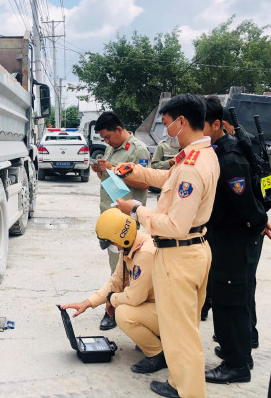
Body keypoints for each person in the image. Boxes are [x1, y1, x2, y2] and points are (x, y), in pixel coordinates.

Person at [114, 94, 219, 398]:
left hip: (179, 254)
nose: (164, 128)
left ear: (182, 122)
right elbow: (166, 178)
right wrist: (135, 172)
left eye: (166, 122)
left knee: (181, 333)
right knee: (180, 330)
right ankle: (180, 381)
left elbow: (175, 225)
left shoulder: (190, 166)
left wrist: (136, 209)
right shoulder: (200, 155)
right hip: (192, 250)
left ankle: (189, 392)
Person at [202, 96, 271, 384]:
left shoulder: (229, 157)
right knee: (233, 299)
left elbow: (244, 204)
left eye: (200, 125)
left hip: (235, 239)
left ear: (217, 124)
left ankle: (236, 365)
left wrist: (260, 223)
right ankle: (237, 350)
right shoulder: (218, 149)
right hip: (229, 237)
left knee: (231, 301)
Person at [61, 208, 166, 374]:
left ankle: (158, 354)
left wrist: (112, 299)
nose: (112, 247)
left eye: (111, 242)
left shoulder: (144, 253)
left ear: (121, 238)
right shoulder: (130, 248)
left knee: (123, 314)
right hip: (159, 307)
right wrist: (88, 303)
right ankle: (156, 338)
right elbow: (116, 282)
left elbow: (134, 298)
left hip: (170, 315)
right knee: (122, 305)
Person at [91, 111, 150, 331]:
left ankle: (115, 310)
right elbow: (107, 179)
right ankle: (117, 306)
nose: (106, 141)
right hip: (109, 217)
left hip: (126, 220)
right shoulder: (111, 148)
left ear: (119, 129)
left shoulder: (138, 149)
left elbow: (145, 184)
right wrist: (100, 171)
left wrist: (113, 170)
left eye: (108, 137)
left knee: (126, 269)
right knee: (115, 267)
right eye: (103, 139)